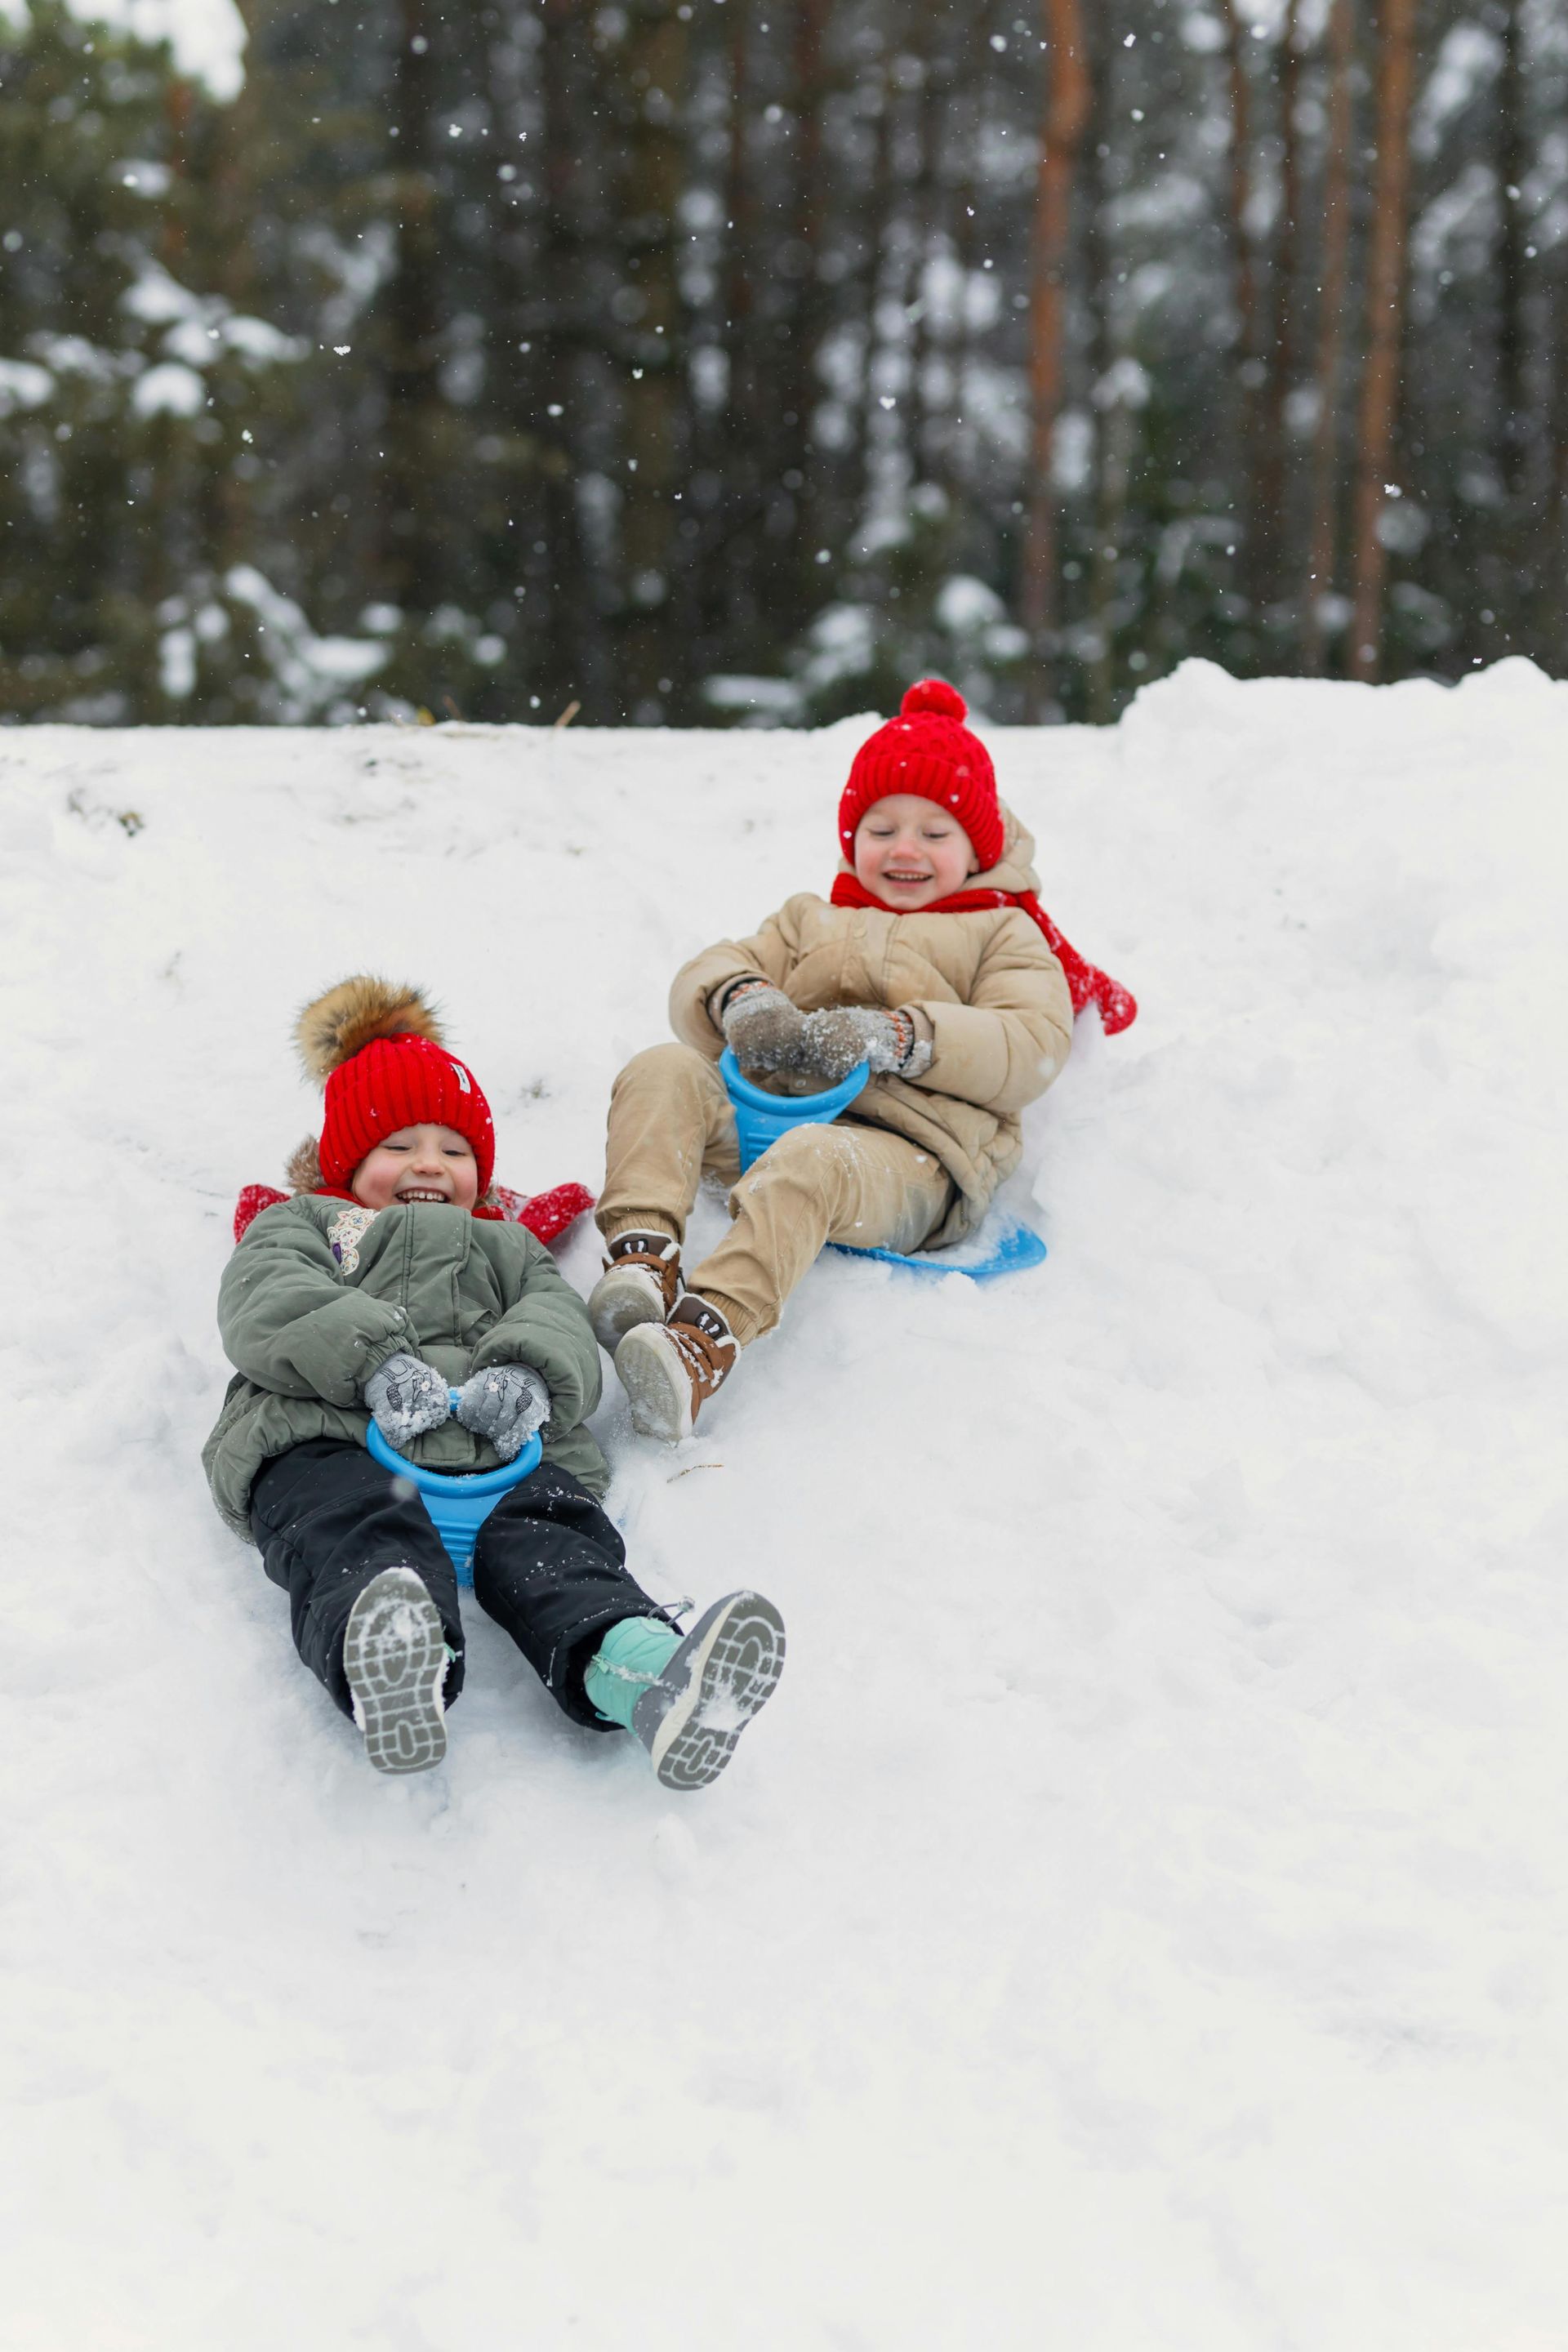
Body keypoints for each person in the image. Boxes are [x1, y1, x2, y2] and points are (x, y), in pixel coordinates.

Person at [202, 976, 785, 1780]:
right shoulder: (307, 1225)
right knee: (353, 1537)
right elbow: (267, 1301)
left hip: (502, 1454)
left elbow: (558, 1318)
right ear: (346, 1159)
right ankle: (400, 1667)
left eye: (455, 1150)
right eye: (398, 1146)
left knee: (560, 1553)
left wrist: (526, 1372)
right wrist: (373, 1360)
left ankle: (646, 1672)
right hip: (338, 1441)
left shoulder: (506, 1247)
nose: (429, 1166)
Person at [590, 679, 1134, 1441]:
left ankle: (696, 1348)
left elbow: (1031, 1048)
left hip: (909, 1161)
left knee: (814, 1159)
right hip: (763, 1121)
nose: (904, 849)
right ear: (852, 837)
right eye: (882, 828)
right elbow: (704, 973)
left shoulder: (1003, 934)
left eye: (935, 833)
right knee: (661, 1069)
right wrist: (743, 999)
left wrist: (901, 1038)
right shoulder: (811, 917)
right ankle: (642, 1261)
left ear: (978, 846)